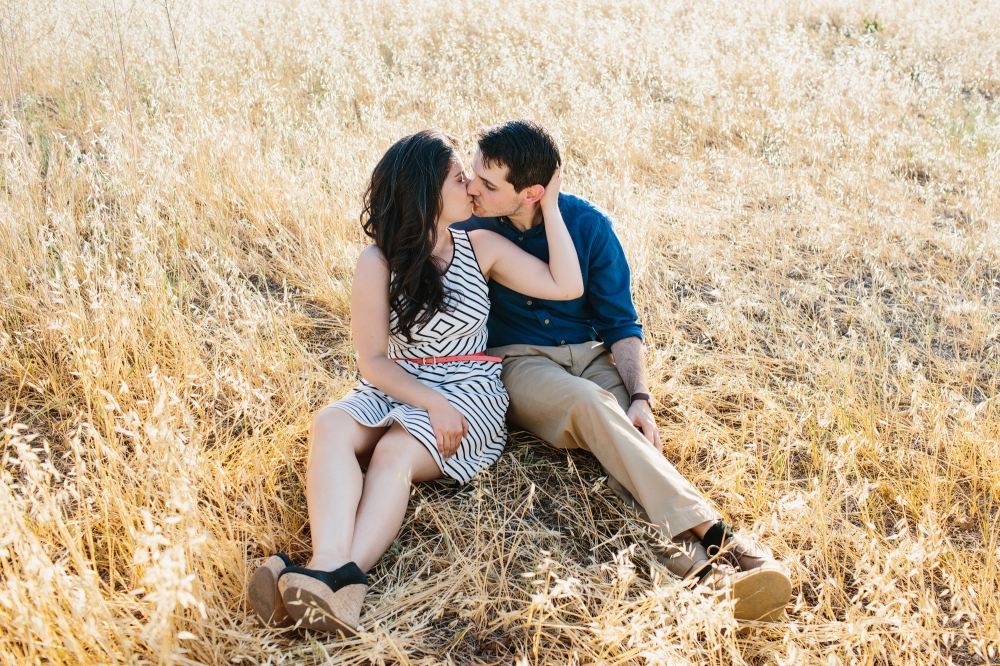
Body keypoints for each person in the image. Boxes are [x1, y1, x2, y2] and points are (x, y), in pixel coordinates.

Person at [454, 119, 793, 622]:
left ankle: (703, 572)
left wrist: (640, 398)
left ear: (532, 192)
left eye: (487, 183)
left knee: (629, 440)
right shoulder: (470, 229)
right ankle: (722, 537)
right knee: (594, 407)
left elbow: (620, 323)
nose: (472, 188)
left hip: (590, 354)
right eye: (474, 175)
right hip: (519, 361)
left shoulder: (589, 226)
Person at [247, 129, 583, 635]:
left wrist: (551, 205)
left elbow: (567, 285)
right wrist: (427, 399)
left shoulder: (482, 246)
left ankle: (329, 579)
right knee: (332, 425)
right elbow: (373, 360)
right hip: (396, 385)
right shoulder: (378, 261)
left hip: (469, 390)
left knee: (395, 451)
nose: (471, 185)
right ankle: (328, 568)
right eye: (457, 178)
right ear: (427, 192)